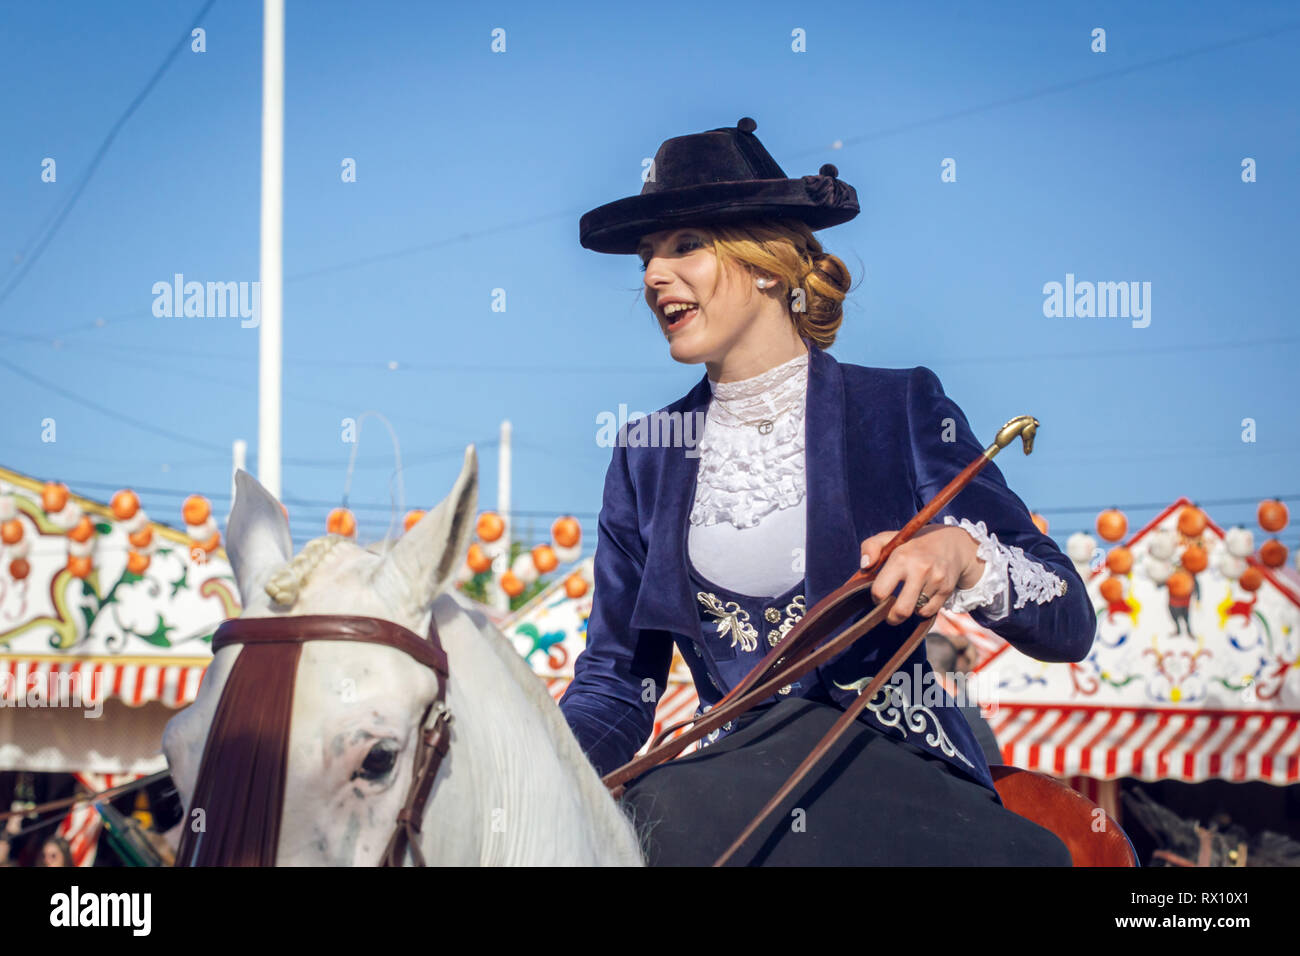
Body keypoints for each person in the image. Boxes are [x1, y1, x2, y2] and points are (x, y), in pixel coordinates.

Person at [558, 117, 1098, 866]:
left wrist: (963, 555)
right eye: (648, 256)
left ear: (768, 266)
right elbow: (616, 688)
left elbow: (1069, 621)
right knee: (649, 821)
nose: (652, 276)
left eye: (684, 246)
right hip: (713, 794)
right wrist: (531, 771)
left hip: (900, 775)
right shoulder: (645, 453)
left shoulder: (900, 407)